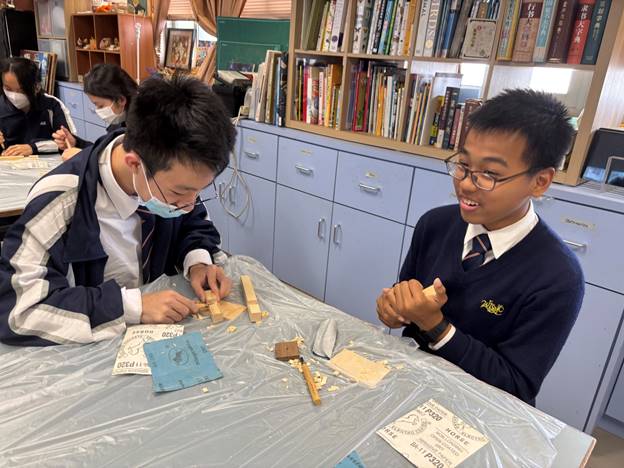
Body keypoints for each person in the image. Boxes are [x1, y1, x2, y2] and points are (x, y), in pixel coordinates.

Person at [376, 89, 584, 405]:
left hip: (478, 410)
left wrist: (436, 326)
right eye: (463, 164)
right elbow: (405, 300)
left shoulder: (558, 277)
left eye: (490, 174)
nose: (465, 183)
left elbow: (516, 386)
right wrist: (394, 309)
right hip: (409, 386)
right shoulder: (435, 224)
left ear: (540, 181)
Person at [0, 74, 235, 346]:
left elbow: (193, 224)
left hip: (158, 339)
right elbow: (18, 310)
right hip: (87, 351)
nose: (191, 203)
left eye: (199, 190)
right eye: (180, 192)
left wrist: (198, 262)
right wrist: (132, 307)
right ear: (135, 164)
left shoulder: (169, 176)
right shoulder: (60, 200)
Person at [53, 63, 138, 160]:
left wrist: (83, 157)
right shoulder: (119, 120)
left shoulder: (141, 126)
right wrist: (76, 143)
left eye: (100, 105)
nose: (98, 111)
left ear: (121, 100)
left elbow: (118, 162)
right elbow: (103, 149)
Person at [0, 57, 75, 156]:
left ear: (37, 87)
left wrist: (34, 147)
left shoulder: (51, 105)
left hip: (48, 162)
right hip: (9, 163)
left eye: (21, 90)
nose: (14, 96)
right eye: (8, 89)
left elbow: (68, 142)